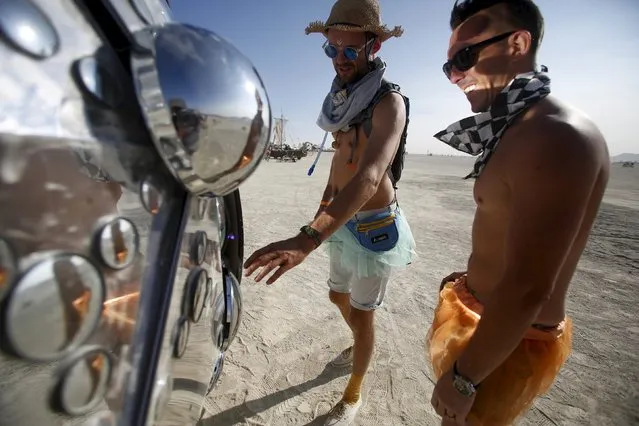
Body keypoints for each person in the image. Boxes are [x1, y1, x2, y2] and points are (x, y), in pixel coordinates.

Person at [426, 1, 610, 425]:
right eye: (447, 66)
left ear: (518, 43)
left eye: (465, 57)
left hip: (506, 342)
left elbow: (529, 288)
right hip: (487, 320)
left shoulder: (552, 135)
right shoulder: (517, 128)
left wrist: (464, 379)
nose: (455, 75)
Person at [243, 0, 416, 424]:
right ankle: (357, 335)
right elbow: (339, 173)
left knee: (362, 313)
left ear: (372, 48)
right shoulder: (344, 104)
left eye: (350, 50)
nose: (340, 59)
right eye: (332, 50)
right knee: (336, 296)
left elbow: (370, 177)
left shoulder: (388, 104)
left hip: (375, 228)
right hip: (339, 222)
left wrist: (307, 239)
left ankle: (353, 392)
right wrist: (320, 215)